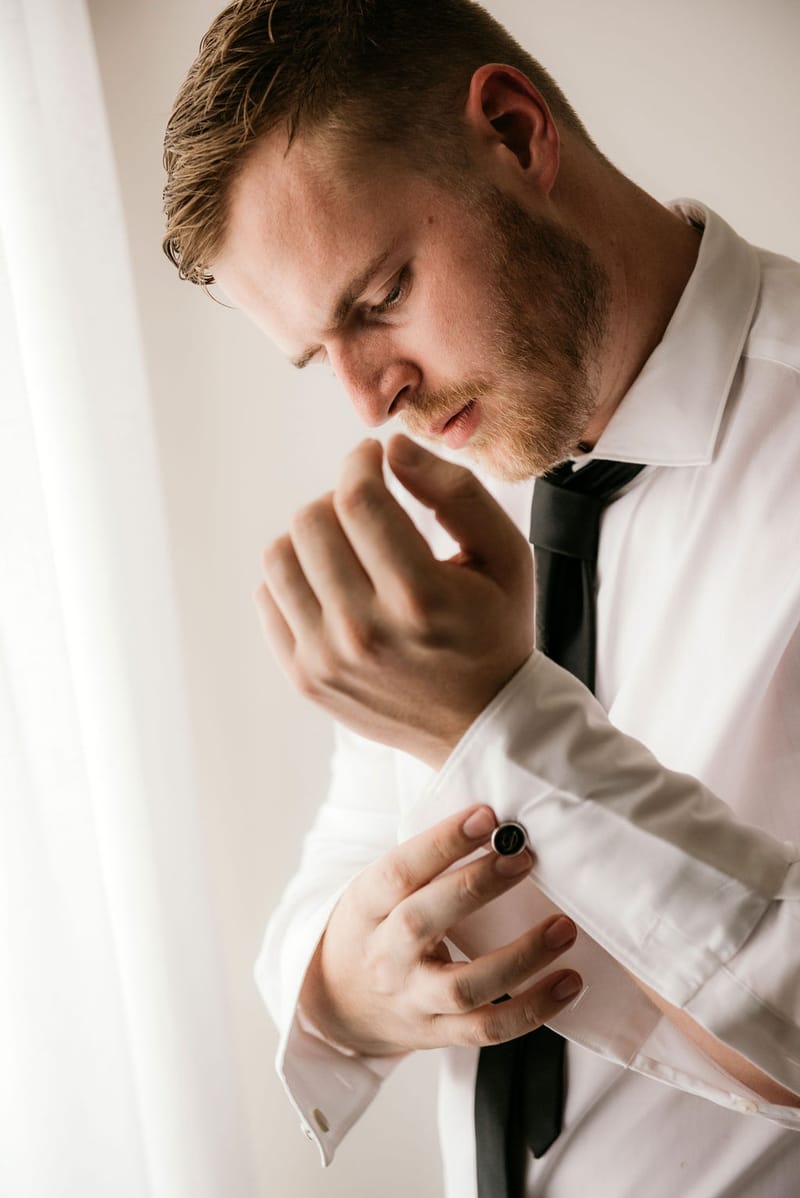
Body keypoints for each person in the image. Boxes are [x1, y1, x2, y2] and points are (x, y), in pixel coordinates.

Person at [162, 1, 800, 1194]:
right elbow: (350, 855)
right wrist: (349, 990)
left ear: (513, 131)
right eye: (320, 356)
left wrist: (496, 722)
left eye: (379, 297)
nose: (370, 399)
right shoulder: (450, 491)